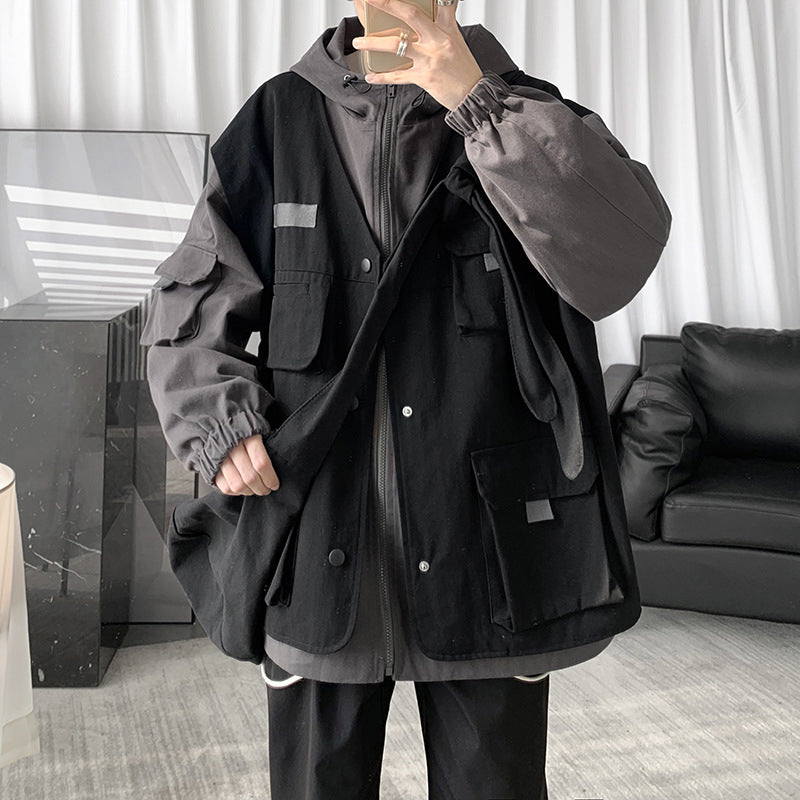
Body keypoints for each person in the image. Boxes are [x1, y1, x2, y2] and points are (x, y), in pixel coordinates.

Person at [140, 0, 672, 797]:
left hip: (489, 559)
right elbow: (192, 294)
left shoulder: (526, 110)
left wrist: (477, 101)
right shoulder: (279, 119)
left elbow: (621, 255)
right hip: (315, 541)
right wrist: (218, 421)